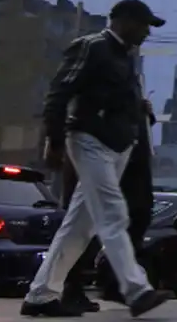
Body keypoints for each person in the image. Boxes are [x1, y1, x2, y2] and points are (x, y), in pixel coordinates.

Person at [20, 0, 171, 318]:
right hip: (90, 141)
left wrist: (139, 115)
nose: (147, 33)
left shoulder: (125, 57)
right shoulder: (91, 47)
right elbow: (59, 93)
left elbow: (118, 101)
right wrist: (54, 141)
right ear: (124, 20)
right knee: (113, 213)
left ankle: (41, 294)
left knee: (79, 226)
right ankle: (137, 290)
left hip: (117, 147)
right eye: (144, 25)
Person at [59, 95, 157, 311]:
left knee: (130, 219)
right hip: (107, 156)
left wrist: (143, 114)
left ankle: (48, 291)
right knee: (93, 225)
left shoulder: (127, 88)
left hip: (129, 159)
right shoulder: (101, 86)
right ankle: (124, 287)